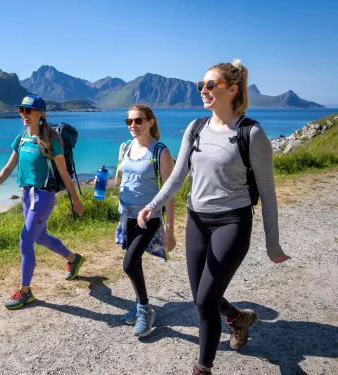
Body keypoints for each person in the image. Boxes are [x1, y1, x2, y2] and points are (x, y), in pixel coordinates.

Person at [137, 59, 290, 375]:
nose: (203, 90)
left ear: (232, 90)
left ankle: (202, 368)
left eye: (210, 85)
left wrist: (272, 243)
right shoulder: (195, 128)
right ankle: (238, 318)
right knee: (201, 297)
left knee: (205, 300)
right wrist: (153, 204)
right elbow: (178, 176)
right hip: (197, 221)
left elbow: (269, 193)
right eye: (200, 85)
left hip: (232, 223)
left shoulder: (252, 134)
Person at [0, 94, 85, 310]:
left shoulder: (51, 140)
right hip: (27, 195)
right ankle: (73, 258)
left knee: (25, 241)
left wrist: (76, 199)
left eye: (28, 111)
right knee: (41, 237)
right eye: (21, 111)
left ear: (41, 114)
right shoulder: (21, 139)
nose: (24, 115)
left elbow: (64, 173)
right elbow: (9, 167)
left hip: (44, 196)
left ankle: (25, 291)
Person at [114, 104, 176, 337]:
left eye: (138, 121)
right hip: (126, 216)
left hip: (149, 219)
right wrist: (99, 184)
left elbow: (168, 193)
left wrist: (170, 230)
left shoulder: (161, 152)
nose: (133, 126)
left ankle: (145, 309)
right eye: (129, 121)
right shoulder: (124, 147)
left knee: (129, 264)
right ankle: (141, 304)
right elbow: (119, 180)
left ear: (151, 121)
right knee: (135, 262)